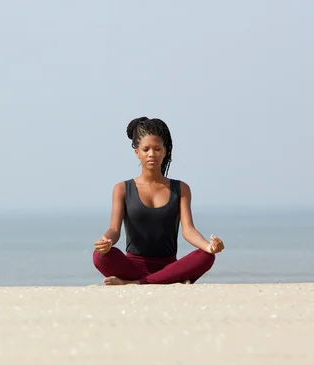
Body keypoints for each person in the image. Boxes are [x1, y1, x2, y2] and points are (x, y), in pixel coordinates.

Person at [92, 116, 225, 285]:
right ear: (137, 152)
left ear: (165, 151)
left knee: (207, 256)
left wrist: (209, 246)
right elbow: (114, 229)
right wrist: (106, 241)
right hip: (133, 266)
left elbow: (188, 230)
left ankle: (135, 283)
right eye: (146, 149)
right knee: (99, 256)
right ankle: (164, 280)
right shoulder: (122, 189)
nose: (151, 154)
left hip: (169, 265)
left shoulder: (181, 188)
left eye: (157, 148)